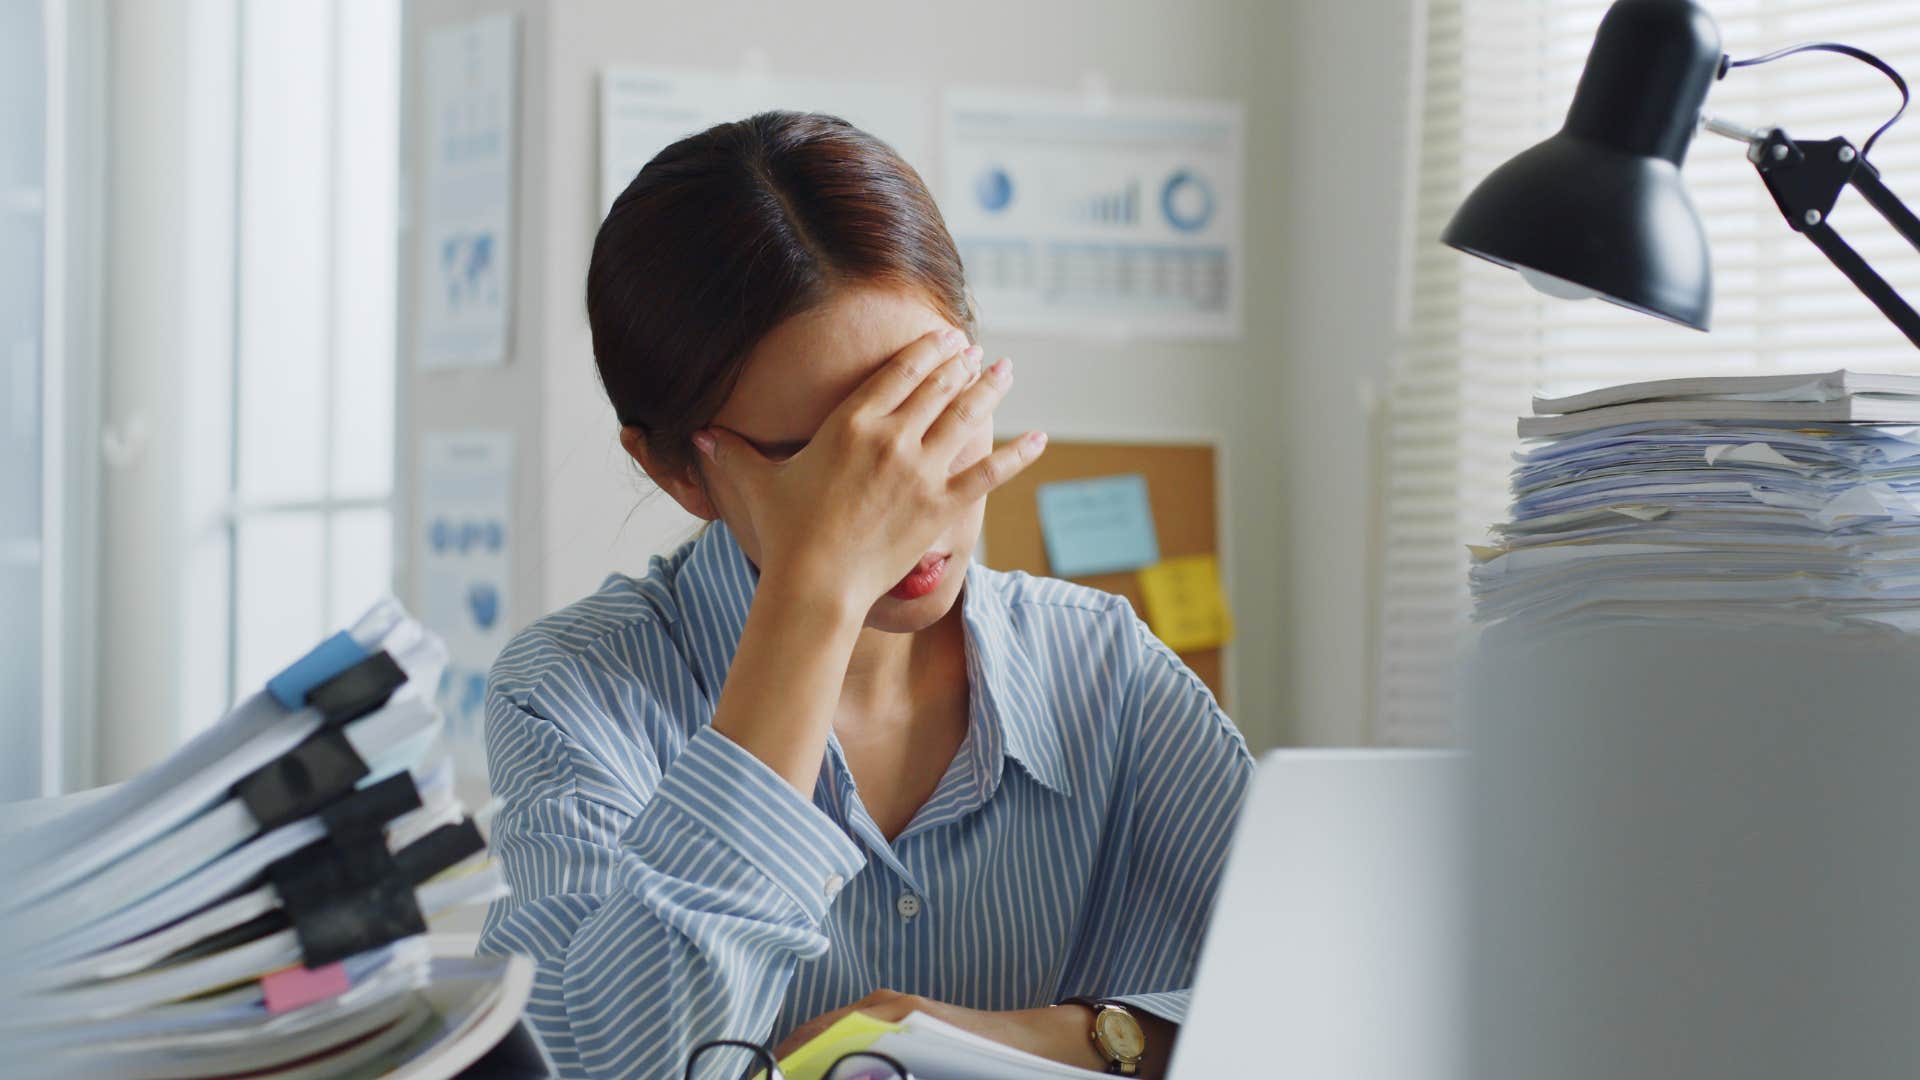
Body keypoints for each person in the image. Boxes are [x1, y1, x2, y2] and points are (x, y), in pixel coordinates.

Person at [478, 111, 1253, 1080]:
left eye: (930, 405)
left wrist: (1068, 1035)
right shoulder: (574, 692)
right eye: (819, 458)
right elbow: (600, 1066)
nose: (905, 492)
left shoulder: (1104, 668)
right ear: (680, 470)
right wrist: (816, 596)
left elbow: (1328, 997)